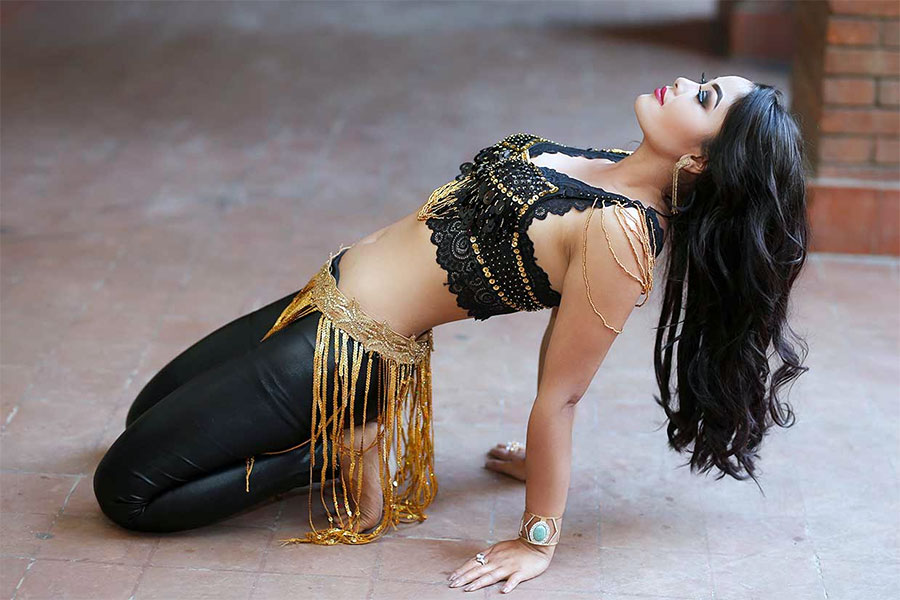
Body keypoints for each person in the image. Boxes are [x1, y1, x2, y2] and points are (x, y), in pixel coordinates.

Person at [94, 73, 811, 594]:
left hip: (343, 350)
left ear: (700, 161)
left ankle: (342, 448)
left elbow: (561, 392)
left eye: (704, 99)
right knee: (144, 416)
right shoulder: (607, 167)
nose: (682, 84)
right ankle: (329, 440)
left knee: (128, 491)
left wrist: (537, 538)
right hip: (317, 298)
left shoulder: (623, 238)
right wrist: (531, 458)